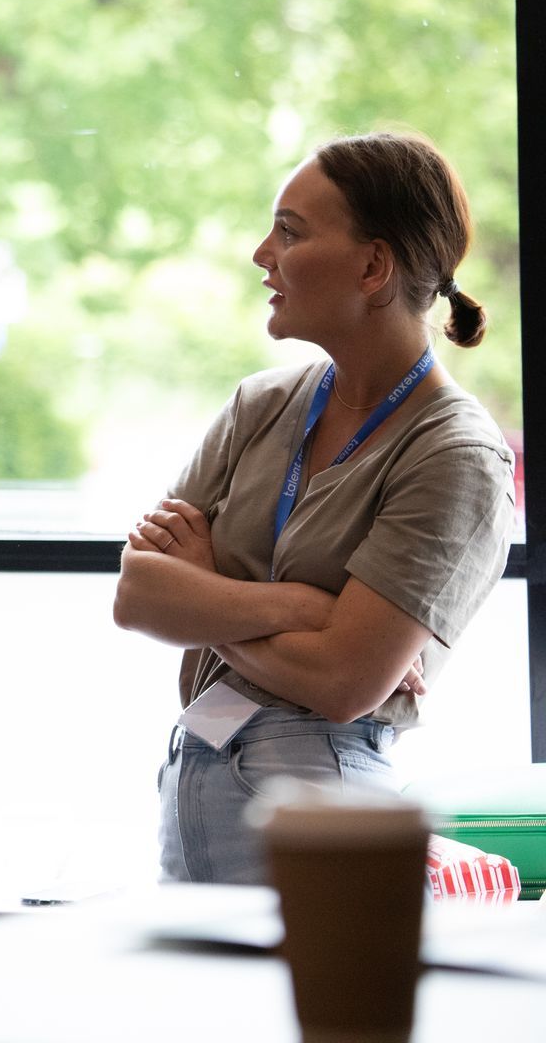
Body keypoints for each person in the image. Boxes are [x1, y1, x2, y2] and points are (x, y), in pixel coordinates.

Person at [113, 131, 515, 885]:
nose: (262, 253)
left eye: (291, 232)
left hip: (322, 798)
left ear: (373, 266)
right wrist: (301, 607)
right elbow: (137, 595)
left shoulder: (456, 454)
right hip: (194, 778)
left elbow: (343, 684)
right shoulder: (260, 404)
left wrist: (207, 593)